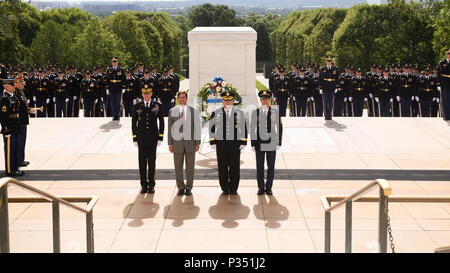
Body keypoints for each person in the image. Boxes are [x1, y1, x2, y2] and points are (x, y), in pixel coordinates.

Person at [209, 91, 247, 195]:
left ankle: (234, 188)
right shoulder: (216, 113)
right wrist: (212, 141)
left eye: (230, 100)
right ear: (222, 101)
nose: (228, 102)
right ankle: (225, 188)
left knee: (234, 168)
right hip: (221, 145)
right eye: (226, 100)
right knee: (222, 167)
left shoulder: (239, 113)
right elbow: (212, 128)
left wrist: (243, 141)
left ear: (233, 101)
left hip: (235, 145)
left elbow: (243, 128)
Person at [132, 82, 164, 194]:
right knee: (141, 162)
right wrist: (134, 138)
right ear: (142, 93)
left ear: (151, 93)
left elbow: (162, 121)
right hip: (141, 138)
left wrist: (160, 137)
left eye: (148, 93)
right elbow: (133, 122)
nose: (146, 95)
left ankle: (151, 185)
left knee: (152, 162)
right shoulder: (137, 106)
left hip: (153, 138)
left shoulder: (157, 105)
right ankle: (143, 185)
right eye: (144, 93)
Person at [167, 91, 201, 196]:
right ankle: (180, 187)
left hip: (190, 143)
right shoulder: (172, 111)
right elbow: (170, 129)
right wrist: (170, 144)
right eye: (180, 97)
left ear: (186, 99)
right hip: (177, 144)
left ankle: (189, 187)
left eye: (183, 97)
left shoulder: (193, 111)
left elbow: (197, 128)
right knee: (178, 167)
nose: (182, 99)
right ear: (178, 99)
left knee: (190, 167)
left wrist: (197, 142)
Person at [250, 90, 282, 196]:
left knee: (271, 166)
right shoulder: (255, 112)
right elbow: (252, 128)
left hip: (271, 142)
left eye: (266, 98)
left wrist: (279, 142)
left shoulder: (275, 111)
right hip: (259, 142)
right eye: (263, 98)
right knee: (259, 166)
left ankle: (269, 187)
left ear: (269, 100)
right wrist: (252, 143)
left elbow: (279, 127)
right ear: (260, 100)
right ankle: (260, 187)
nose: (264, 100)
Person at [0, 78, 23, 176]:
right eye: (12, 85)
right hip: (9, 127)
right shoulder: (5, 99)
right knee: (9, 150)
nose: (14, 87)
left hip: (16, 126)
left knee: (15, 149)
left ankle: (15, 168)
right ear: (6, 86)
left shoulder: (13, 97)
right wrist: (5, 129)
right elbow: (3, 116)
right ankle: (9, 170)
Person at [13, 75, 30, 169]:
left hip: (24, 121)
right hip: (19, 122)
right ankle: (18, 160)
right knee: (19, 142)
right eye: (22, 83)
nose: (23, 84)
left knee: (22, 141)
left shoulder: (21, 92)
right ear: (17, 84)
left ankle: (21, 159)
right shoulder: (15, 93)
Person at [106, 56, 126, 121]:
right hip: (111, 88)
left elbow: (124, 79)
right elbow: (107, 80)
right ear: (112, 63)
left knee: (118, 102)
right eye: (113, 62)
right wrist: (107, 88)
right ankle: (114, 115)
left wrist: (123, 87)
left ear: (117, 62)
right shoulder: (109, 70)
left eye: (115, 61)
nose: (114, 63)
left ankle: (117, 115)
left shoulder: (121, 70)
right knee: (112, 102)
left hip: (118, 88)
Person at [319, 55, 339, 120]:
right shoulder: (322, 69)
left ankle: (329, 115)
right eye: (328, 61)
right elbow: (320, 79)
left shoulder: (335, 68)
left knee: (330, 102)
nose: (329, 62)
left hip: (332, 87)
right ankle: (326, 115)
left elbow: (337, 78)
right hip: (325, 87)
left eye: (330, 61)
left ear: (331, 61)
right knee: (325, 102)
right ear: (326, 61)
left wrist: (336, 87)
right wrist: (320, 88)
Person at [437, 48, 450, 120]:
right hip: (444, 83)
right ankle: (446, 115)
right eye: (448, 54)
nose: (449, 55)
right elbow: (439, 74)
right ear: (446, 55)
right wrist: (438, 84)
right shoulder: (441, 63)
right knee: (445, 100)